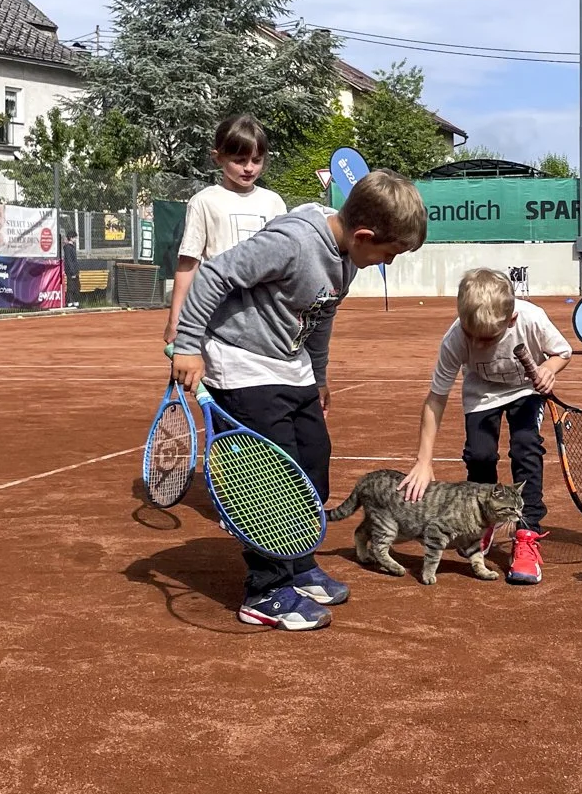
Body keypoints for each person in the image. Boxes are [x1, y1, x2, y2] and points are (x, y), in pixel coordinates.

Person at [170, 171, 428, 631]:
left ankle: (298, 563)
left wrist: (320, 375)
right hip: (242, 361)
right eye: (388, 254)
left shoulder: (346, 256)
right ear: (364, 235)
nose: (386, 262)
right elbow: (213, 275)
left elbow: (320, 316)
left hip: (291, 365)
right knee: (272, 482)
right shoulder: (291, 241)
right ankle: (264, 591)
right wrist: (189, 344)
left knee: (313, 460)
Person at [399, 268, 572, 586]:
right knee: (479, 456)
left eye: (487, 338)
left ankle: (526, 534)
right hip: (481, 396)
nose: (477, 342)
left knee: (526, 448)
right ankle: (482, 521)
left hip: (526, 392)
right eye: (471, 334)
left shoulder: (532, 318)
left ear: (511, 320)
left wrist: (548, 368)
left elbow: (563, 352)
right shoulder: (455, 338)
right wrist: (424, 461)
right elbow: (436, 399)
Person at [162, 115, 287, 353]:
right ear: (218, 157)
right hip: (216, 318)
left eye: (257, 160)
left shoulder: (274, 202)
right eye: (240, 160)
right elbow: (188, 264)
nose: (249, 168)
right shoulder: (203, 202)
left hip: (264, 319)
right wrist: (175, 319)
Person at [62, 227, 81, 309]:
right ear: (71, 238)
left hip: (75, 270)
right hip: (71, 271)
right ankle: (70, 302)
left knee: (76, 286)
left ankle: (75, 302)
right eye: (75, 237)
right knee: (71, 286)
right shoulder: (68, 248)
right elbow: (69, 261)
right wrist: (73, 272)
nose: (76, 239)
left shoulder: (72, 247)